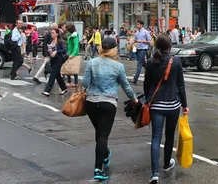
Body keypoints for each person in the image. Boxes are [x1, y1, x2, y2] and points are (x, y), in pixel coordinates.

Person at [81, 37, 138, 181]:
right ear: (114, 49)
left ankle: (104, 155)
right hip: (108, 103)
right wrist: (134, 99)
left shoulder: (92, 63)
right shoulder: (118, 66)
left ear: (101, 49)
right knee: (102, 135)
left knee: (100, 133)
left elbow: (85, 83)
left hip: (91, 103)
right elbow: (126, 86)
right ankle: (98, 168)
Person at [144, 34, 188, 184]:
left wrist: (147, 100)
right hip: (173, 104)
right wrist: (185, 105)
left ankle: (154, 173)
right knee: (169, 136)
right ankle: (167, 163)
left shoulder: (151, 62)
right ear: (169, 46)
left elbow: (147, 84)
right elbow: (181, 85)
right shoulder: (175, 61)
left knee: (156, 137)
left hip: (156, 104)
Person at [42, 28, 68, 96]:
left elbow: (64, 50)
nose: (51, 34)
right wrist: (49, 51)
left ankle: (47, 91)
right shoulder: (51, 40)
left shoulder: (60, 42)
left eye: (53, 33)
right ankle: (64, 88)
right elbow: (49, 48)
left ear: (57, 34)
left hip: (59, 60)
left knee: (53, 74)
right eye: (51, 33)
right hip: (52, 59)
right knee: (57, 75)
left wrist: (56, 51)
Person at [132, 19, 152, 85]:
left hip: (143, 49)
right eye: (137, 24)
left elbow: (150, 41)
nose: (137, 25)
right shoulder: (137, 32)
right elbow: (135, 40)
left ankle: (135, 78)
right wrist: (132, 43)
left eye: (138, 24)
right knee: (143, 63)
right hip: (138, 48)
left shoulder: (146, 32)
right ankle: (150, 71)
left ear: (141, 25)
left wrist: (142, 41)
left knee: (139, 64)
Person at [64, 23, 80, 87]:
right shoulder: (71, 35)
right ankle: (69, 81)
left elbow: (76, 46)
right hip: (69, 53)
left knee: (74, 68)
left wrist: (73, 54)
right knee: (69, 67)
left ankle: (75, 82)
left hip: (73, 54)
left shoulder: (74, 36)